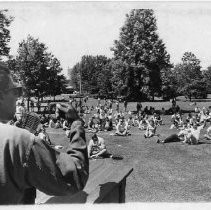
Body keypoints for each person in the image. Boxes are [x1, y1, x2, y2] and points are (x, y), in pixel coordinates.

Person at [0, 62, 89, 204]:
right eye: (16, 91)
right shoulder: (17, 140)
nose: (18, 97)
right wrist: (76, 123)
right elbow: (75, 177)